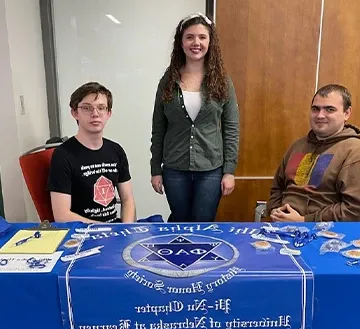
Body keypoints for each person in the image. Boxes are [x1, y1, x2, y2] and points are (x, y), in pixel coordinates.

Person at [150, 11, 240, 222]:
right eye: (189, 37)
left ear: (210, 42)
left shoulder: (223, 82)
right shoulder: (168, 80)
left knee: (203, 223)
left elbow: (231, 129)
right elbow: (158, 127)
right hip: (174, 169)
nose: (196, 42)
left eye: (202, 37)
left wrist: (229, 171)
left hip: (211, 169)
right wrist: (155, 169)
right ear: (181, 42)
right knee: (180, 222)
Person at [266, 84, 360, 222]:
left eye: (329, 109)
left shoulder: (356, 152)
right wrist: (275, 210)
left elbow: (355, 210)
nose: (320, 115)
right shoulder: (297, 146)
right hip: (279, 228)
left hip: (324, 235)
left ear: (347, 113)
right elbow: (277, 189)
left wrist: (304, 221)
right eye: (315, 109)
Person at [48, 82, 136, 223]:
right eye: (87, 108)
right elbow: (62, 216)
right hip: (81, 235)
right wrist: (108, 230)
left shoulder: (116, 150)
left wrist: (126, 230)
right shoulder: (63, 155)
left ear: (108, 113)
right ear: (75, 113)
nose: (95, 114)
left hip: (115, 231)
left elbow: (127, 200)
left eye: (101, 108)